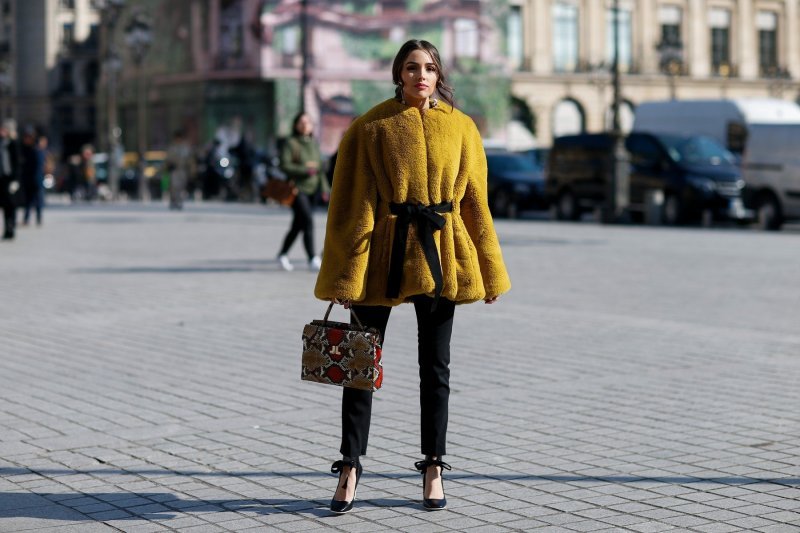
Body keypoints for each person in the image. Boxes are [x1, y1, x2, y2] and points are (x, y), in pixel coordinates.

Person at [314, 39, 511, 514]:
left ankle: (434, 466)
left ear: (438, 74)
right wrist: (345, 277)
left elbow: (476, 205)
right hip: (382, 251)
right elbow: (352, 205)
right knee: (360, 365)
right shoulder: (371, 127)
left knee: (436, 369)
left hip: (441, 252)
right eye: (410, 67)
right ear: (398, 74)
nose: (420, 75)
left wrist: (489, 272)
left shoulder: (462, 128)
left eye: (428, 67)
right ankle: (350, 465)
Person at [277, 112, 329, 272]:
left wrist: (325, 189)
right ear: (295, 124)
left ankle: (282, 254)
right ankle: (312, 258)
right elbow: (284, 165)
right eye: (301, 122)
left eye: (308, 122)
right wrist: (305, 170)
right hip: (297, 189)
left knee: (298, 225)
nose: (305, 125)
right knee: (308, 220)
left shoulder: (313, 143)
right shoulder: (291, 143)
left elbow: (319, 170)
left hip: (312, 190)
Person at [20, 128, 45, 226]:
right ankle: (26, 219)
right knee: (28, 201)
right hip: (27, 179)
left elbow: (38, 165)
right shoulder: (23, 149)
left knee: (37, 200)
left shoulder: (36, 150)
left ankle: (38, 219)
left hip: (35, 179)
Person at [0, 119, 21, 240]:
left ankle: (11, 228)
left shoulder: (13, 144)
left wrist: (16, 181)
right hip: (1, 179)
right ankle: (6, 229)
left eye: (4, 129)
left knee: (11, 205)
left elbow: (17, 164)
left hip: (11, 179)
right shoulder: (1, 143)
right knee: (3, 205)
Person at [165, 129, 195, 210]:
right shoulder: (172, 147)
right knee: (174, 186)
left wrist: (192, 170)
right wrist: (167, 167)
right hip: (174, 170)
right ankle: (173, 201)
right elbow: (168, 159)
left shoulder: (185, 148)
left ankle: (179, 201)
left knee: (181, 186)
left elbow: (190, 159)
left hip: (183, 170)